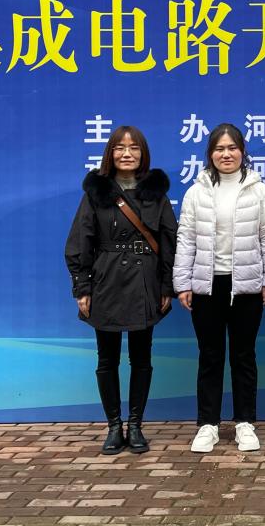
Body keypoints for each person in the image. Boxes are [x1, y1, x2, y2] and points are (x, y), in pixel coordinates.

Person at [65, 126, 177, 455]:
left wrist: (166, 285)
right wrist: (82, 287)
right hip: (106, 281)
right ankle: (114, 426)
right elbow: (80, 241)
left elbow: (170, 241)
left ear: (143, 154)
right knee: (107, 358)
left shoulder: (156, 193)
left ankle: (136, 424)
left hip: (145, 281)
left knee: (142, 358)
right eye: (119, 147)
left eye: (134, 148)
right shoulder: (96, 192)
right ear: (110, 153)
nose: (127, 153)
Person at [173, 123, 265, 453]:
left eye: (232, 148)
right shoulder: (196, 192)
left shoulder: (259, 191)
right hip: (207, 285)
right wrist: (182, 283)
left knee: (243, 355)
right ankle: (207, 425)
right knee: (210, 355)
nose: (226, 154)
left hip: (247, 285)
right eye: (219, 149)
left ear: (242, 151)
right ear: (210, 154)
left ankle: (245, 423)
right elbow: (186, 239)